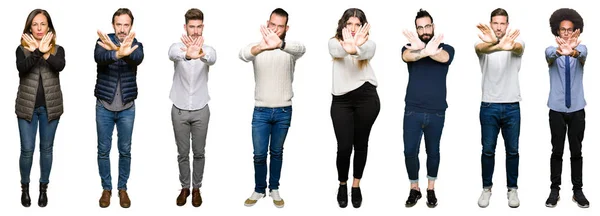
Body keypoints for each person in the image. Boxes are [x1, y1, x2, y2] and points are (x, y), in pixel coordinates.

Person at [239, 8, 305, 208]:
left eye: (280, 26)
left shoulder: (290, 49)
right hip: (261, 111)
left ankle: (274, 188)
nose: (276, 29)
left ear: (287, 28)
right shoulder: (257, 47)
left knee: (276, 152)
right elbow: (242, 55)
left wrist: (281, 45)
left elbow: (302, 49)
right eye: (273, 24)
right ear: (267, 24)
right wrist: (261, 47)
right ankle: (259, 189)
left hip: (284, 110)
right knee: (259, 154)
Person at [400, 8, 454, 208]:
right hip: (412, 110)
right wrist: (422, 51)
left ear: (433, 26)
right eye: (420, 27)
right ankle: (415, 189)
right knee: (409, 152)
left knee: (433, 151)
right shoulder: (410, 47)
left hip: (437, 111)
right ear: (416, 29)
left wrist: (430, 51)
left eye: (427, 25)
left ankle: (431, 189)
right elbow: (407, 56)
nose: (424, 30)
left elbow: (444, 58)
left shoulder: (447, 48)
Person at [329, 8, 380, 209]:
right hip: (341, 101)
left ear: (363, 27)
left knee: (361, 144)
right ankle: (342, 184)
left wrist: (357, 47)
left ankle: (356, 186)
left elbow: (365, 53)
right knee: (343, 147)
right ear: (343, 25)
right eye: (349, 24)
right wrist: (349, 46)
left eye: (357, 25)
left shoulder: (369, 44)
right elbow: (337, 51)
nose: (352, 28)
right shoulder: (333, 41)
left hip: (366, 97)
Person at [474, 8, 524, 208]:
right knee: (488, 150)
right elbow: (481, 49)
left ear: (507, 25)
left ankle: (512, 189)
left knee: (512, 151)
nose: (499, 27)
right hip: (489, 105)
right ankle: (487, 188)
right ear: (490, 23)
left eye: (503, 23)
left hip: (512, 105)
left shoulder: (515, 41)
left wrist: (506, 44)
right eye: (495, 23)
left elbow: (518, 49)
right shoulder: (482, 42)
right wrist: (495, 42)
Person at [94, 8, 144, 208]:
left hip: (127, 108)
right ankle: (107, 189)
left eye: (126, 25)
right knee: (103, 151)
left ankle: (122, 188)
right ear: (113, 25)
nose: (122, 29)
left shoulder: (136, 45)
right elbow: (100, 57)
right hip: (104, 107)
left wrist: (124, 52)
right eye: (119, 24)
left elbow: (137, 58)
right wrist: (115, 52)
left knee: (125, 150)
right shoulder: (103, 42)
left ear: (131, 26)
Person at [16, 8, 65, 208]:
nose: (38, 28)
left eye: (42, 24)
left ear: (49, 27)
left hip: (50, 109)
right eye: (34, 24)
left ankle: (43, 189)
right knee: (27, 150)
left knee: (46, 150)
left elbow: (59, 65)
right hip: (26, 109)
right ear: (29, 28)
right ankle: (25, 189)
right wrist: (37, 51)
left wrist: (45, 52)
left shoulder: (58, 49)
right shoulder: (22, 49)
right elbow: (22, 68)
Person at [168, 8, 216, 207]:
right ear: (185, 27)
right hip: (179, 109)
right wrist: (188, 55)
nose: (195, 31)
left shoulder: (209, 50)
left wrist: (201, 54)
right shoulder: (177, 47)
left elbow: (212, 59)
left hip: (200, 109)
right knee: (182, 153)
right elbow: (172, 55)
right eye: (191, 27)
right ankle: (184, 187)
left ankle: (197, 188)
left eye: (198, 27)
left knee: (199, 152)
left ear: (202, 27)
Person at [544, 8, 589, 208]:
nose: (566, 33)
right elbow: (549, 56)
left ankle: (577, 191)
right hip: (557, 110)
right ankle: (554, 190)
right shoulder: (550, 51)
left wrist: (573, 50)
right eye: (563, 30)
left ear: (576, 31)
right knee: (557, 151)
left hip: (577, 109)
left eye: (570, 30)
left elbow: (581, 55)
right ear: (557, 31)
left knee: (577, 151)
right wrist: (560, 50)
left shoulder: (583, 50)